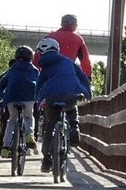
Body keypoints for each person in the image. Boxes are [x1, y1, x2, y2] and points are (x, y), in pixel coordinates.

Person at [34, 37, 91, 173]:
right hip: (71, 94)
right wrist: (87, 93)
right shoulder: (69, 62)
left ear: (42, 53)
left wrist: (37, 99)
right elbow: (82, 77)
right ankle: (74, 126)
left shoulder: (45, 67)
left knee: (50, 125)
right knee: (71, 105)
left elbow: (39, 84)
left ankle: (47, 160)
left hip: (52, 98)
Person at [0, 46, 39, 156]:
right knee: (28, 117)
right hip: (29, 97)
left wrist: (1, 95)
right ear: (31, 58)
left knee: (11, 120)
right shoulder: (34, 70)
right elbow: (40, 84)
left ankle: (5, 147)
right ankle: (29, 134)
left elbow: (2, 83)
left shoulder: (12, 70)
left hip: (11, 97)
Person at [37, 13, 92, 79]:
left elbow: (37, 57)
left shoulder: (49, 37)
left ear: (62, 24)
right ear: (74, 25)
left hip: (48, 76)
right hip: (67, 75)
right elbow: (85, 61)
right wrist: (87, 77)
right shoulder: (78, 39)